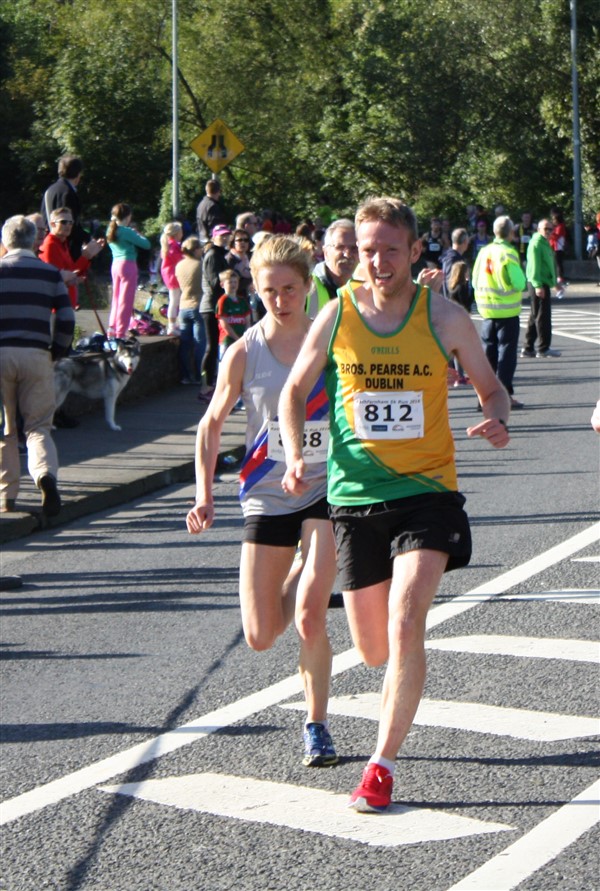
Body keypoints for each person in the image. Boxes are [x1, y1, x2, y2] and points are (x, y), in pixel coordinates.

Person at [278, 196, 510, 812]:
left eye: (389, 249)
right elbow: (295, 390)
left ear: (412, 251)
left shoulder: (446, 317)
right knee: (374, 649)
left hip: (427, 492)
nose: (377, 261)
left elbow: (492, 388)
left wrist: (495, 418)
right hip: (354, 497)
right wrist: (298, 452)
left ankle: (380, 767)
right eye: (367, 249)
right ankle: (388, 687)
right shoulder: (335, 314)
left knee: (408, 622)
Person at [186, 235, 338, 768]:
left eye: (290, 289)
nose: (280, 299)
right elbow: (210, 426)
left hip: (325, 489)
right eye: (270, 290)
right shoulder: (243, 351)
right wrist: (205, 494)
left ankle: (316, 725)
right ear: (256, 287)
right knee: (260, 635)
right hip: (266, 495)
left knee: (310, 617)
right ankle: (298, 568)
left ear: (306, 286)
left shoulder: (331, 342)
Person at [0, 216, 75, 515]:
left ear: (5, 241)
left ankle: (7, 497)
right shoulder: (49, 273)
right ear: (33, 241)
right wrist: (56, 350)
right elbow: (67, 318)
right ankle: (45, 476)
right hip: (36, 354)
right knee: (39, 426)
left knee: (5, 429)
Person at [472, 216, 527, 409]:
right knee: (506, 355)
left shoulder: (484, 251)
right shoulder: (508, 253)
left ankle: (484, 397)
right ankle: (503, 396)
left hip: (487, 311)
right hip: (507, 311)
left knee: (488, 355)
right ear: (511, 232)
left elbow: (474, 279)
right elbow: (519, 282)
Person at [39, 207, 105, 309]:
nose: (68, 226)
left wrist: (88, 255)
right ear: (52, 224)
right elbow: (60, 279)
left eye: (71, 222)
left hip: (67, 303)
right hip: (58, 306)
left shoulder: (62, 243)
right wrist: (86, 256)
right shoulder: (51, 245)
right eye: (63, 222)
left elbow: (72, 271)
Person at [106, 203, 151, 339]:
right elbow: (146, 244)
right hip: (128, 265)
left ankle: (112, 329)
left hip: (115, 265)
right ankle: (121, 332)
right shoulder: (127, 231)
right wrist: (138, 234)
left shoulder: (110, 230)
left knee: (116, 298)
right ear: (128, 216)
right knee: (126, 300)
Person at [522, 219, 561, 358]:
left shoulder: (544, 243)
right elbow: (534, 267)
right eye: (546, 229)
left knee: (535, 315)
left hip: (542, 282)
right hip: (538, 283)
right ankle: (543, 348)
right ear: (539, 229)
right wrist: (538, 285)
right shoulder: (537, 244)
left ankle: (528, 348)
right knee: (543, 316)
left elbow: (548, 265)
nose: (549, 232)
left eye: (551, 229)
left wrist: (554, 281)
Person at [200, 224, 232, 390]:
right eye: (221, 235)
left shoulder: (219, 254)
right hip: (211, 306)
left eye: (227, 235)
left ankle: (212, 382)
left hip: (218, 305)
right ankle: (206, 383)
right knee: (212, 346)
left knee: (216, 346)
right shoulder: (213, 254)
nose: (225, 238)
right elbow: (214, 283)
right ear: (214, 237)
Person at [305, 218, 358, 318]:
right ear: (326, 253)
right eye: (340, 247)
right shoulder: (307, 287)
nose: (347, 254)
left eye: (354, 248)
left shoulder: (367, 286)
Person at [41, 154, 89, 259]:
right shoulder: (68, 193)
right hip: (65, 249)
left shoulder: (50, 190)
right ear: (78, 174)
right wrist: (88, 239)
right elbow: (70, 225)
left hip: (48, 243)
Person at [175, 237, 207, 387]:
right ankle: (200, 376)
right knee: (200, 343)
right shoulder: (200, 265)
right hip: (197, 305)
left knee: (185, 344)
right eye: (200, 248)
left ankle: (185, 376)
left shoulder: (179, 265)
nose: (202, 250)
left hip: (183, 306)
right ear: (195, 250)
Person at [215, 270, 251, 359]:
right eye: (230, 282)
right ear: (222, 284)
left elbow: (247, 322)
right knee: (224, 364)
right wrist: (237, 339)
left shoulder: (242, 301)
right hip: (227, 341)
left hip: (242, 340)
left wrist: (246, 337)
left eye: (235, 282)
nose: (233, 285)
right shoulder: (223, 301)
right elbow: (224, 325)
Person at [160, 221, 184, 335]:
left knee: (174, 300)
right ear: (177, 233)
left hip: (168, 274)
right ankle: (172, 326)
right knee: (174, 301)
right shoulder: (174, 246)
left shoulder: (167, 244)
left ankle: (174, 324)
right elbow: (179, 260)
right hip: (173, 274)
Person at [441, 228, 470, 299]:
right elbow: (449, 282)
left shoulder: (450, 256)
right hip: (452, 303)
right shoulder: (453, 259)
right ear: (465, 242)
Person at [226, 228, 253, 298]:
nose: (243, 242)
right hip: (236, 297)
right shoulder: (230, 259)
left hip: (251, 296)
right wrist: (249, 283)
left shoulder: (251, 257)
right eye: (240, 240)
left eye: (246, 240)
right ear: (233, 242)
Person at [196, 179, 226, 243]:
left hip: (201, 239)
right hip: (211, 241)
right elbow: (215, 226)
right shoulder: (213, 206)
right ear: (218, 191)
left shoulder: (201, 204)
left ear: (206, 190)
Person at [549, 210, 567, 298]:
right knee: (556, 263)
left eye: (554, 219)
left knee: (558, 262)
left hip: (558, 247)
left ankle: (561, 278)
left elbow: (556, 236)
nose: (553, 221)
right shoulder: (557, 226)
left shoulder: (560, 226)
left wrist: (550, 233)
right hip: (555, 247)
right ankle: (559, 277)